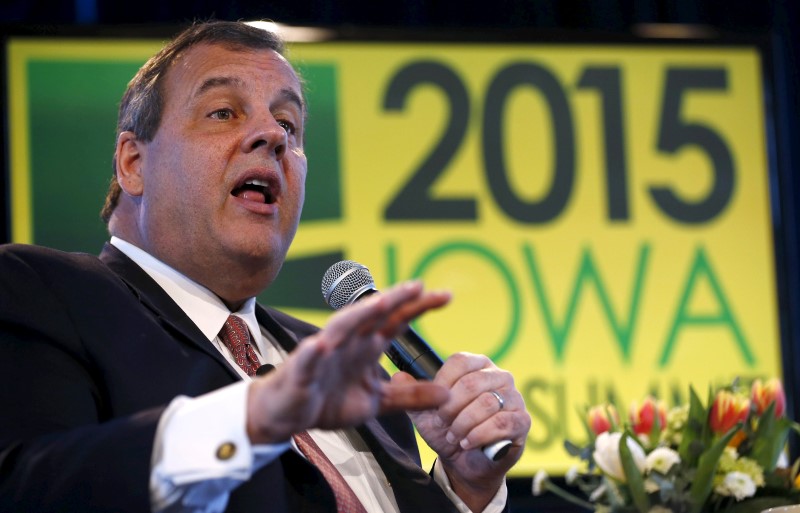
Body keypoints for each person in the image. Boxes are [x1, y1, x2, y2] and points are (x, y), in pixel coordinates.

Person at [0, 20, 531, 513]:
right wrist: (253, 417)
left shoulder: (351, 370)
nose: (274, 136)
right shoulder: (40, 291)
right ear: (133, 164)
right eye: (224, 112)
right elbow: (30, 488)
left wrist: (466, 486)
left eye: (288, 122)